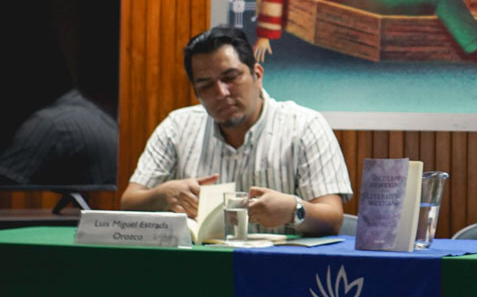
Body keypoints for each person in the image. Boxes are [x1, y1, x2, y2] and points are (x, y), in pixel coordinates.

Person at [120, 26, 352, 235]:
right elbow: (128, 202)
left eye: (230, 77)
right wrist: (162, 195)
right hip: (200, 263)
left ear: (257, 75)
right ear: (197, 93)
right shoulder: (176, 127)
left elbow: (333, 218)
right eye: (206, 85)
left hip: (281, 264)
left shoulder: (305, 126)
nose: (221, 92)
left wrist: (294, 209)